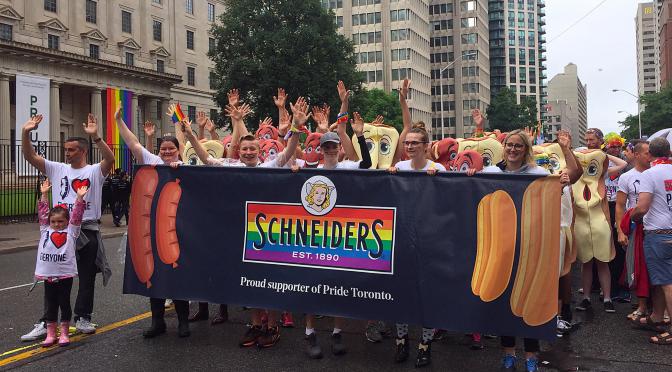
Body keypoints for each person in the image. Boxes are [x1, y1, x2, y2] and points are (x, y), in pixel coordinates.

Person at [469, 130, 570, 372]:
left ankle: (532, 356)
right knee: (503, 299)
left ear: (526, 150)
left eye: (518, 146)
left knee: (530, 302)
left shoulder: (539, 174)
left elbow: (553, 201)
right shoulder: (491, 172)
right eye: (509, 145)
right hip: (499, 245)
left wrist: (561, 184)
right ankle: (508, 354)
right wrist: (471, 177)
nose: (513, 150)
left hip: (530, 245)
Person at [21, 114, 114, 341]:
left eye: (71, 149)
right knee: (53, 277)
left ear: (83, 151)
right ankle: (46, 321)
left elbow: (110, 159)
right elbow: (29, 156)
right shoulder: (57, 168)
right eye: (65, 149)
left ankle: (82, 317)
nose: (67, 153)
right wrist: (26, 132)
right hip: (59, 231)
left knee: (86, 276)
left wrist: (97, 137)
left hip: (86, 230)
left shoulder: (93, 171)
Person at [112, 105, 191, 338]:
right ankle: (158, 322)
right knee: (154, 275)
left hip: (179, 228)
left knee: (178, 276)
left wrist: (180, 167)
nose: (167, 152)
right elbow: (133, 144)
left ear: (178, 150)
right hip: (151, 227)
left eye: (171, 149)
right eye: (163, 149)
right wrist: (119, 121)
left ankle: (183, 321)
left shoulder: (186, 166)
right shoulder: (153, 160)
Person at [387, 124, 444, 368]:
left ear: (426, 146)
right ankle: (401, 340)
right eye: (407, 143)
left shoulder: (437, 169)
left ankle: (425, 344)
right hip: (402, 238)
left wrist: (439, 182)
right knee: (402, 292)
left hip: (429, 240)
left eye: (415, 143)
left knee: (427, 295)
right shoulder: (399, 168)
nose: (409, 147)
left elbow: (450, 201)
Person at [576, 128, 627, 313]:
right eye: (587, 139)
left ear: (600, 140)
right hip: (582, 213)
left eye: (592, 140)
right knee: (586, 261)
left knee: (603, 259)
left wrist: (603, 155)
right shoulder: (582, 156)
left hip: (601, 213)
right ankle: (587, 297)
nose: (589, 143)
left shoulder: (602, 162)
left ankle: (607, 298)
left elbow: (622, 164)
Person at [35, 180, 87, 347]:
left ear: (67, 222)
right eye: (53, 222)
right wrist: (44, 194)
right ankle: (51, 333)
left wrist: (79, 198)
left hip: (65, 275)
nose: (57, 225)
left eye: (60, 222)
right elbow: (43, 213)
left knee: (64, 303)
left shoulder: (72, 231)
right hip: (48, 275)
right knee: (51, 304)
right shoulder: (45, 230)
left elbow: (77, 216)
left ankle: (64, 332)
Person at [631, 137, 672, 345]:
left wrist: (631, 216)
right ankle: (657, 316)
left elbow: (643, 206)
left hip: (659, 233)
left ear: (651, 154)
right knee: (660, 279)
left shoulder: (650, 174)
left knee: (667, 282)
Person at [615, 140, 651, 321]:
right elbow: (620, 205)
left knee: (654, 269)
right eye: (647, 152)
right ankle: (642, 305)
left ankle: (658, 309)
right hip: (635, 228)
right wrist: (621, 231)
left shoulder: (656, 174)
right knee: (636, 268)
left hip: (655, 228)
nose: (650, 156)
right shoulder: (627, 177)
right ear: (636, 155)